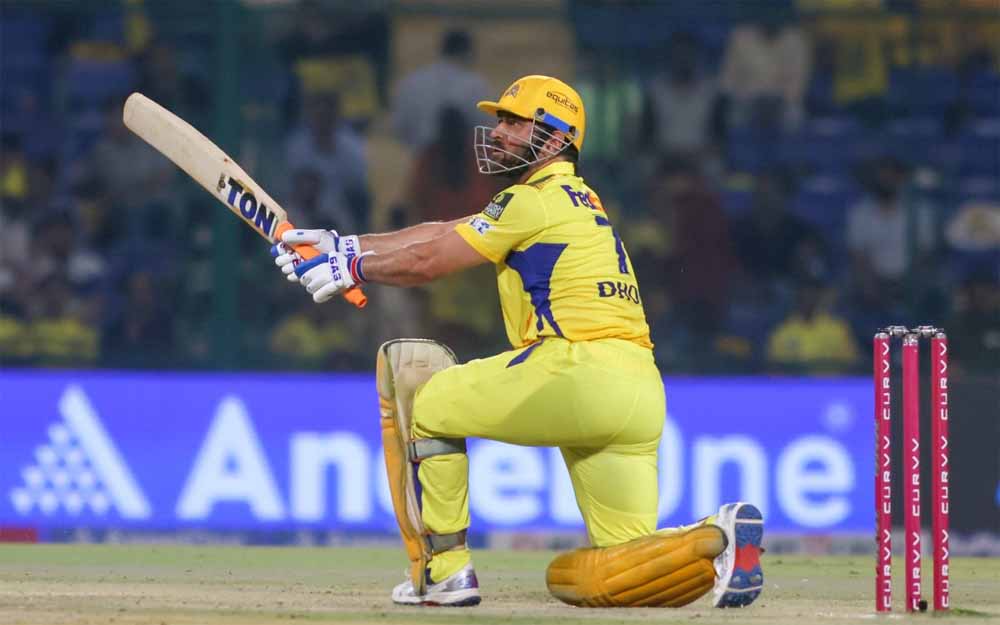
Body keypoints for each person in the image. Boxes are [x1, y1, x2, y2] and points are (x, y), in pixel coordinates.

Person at [272, 76, 764, 609]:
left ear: (555, 139)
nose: (498, 132)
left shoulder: (531, 201)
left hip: (576, 370)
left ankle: (445, 572)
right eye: (500, 120)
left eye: (514, 122)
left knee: (427, 401)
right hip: (639, 391)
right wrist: (344, 244)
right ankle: (718, 536)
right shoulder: (573, 200)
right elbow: (443, 231)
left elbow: (431, 260)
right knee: (614, 569)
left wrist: (352, 269)